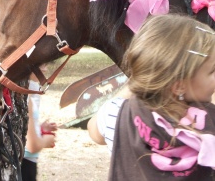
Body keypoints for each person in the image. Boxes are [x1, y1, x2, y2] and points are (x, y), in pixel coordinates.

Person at [87, 13, 215, 180]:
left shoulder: (118, 114)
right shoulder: (210, 122)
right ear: (179, 86)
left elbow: (94, 131)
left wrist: (138, 80)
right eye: (212, 71)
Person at [21, 64, 57, 181]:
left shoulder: (29, 97)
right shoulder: (27, 100)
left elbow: (24, 131)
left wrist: (40, 129)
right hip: (25, 166)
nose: (46, 69)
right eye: (42, 65)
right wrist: (47, 140)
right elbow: (32, 146)